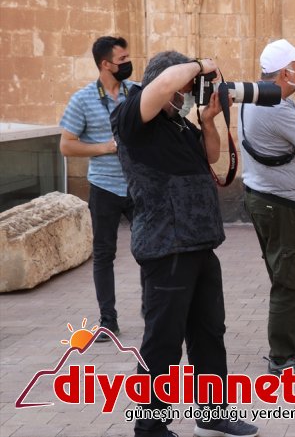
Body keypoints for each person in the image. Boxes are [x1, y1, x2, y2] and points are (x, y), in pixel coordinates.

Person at [111, 52, 258, 437]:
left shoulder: (177, 124)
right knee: (163, 341)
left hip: (200, 244)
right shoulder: (131, 118)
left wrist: (208, 120)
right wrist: (199, 65)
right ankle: (150, 426)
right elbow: (159, 86)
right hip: (165, 247)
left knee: (210, 332)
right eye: (183, 90)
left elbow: (211, 154)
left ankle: (212, 414)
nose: (185, 96)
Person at [239, 38, 295, 377]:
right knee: (292, 281)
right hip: (281, 206)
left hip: (270, 201)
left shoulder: (258, 97)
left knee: (286, 275)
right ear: (283, 73)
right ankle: (281, 356)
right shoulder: (275, 108)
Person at [59, 36, 136, 342]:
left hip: (137, 185)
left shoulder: (138, 92)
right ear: (105, 65)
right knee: (104, 254)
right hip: (104, 187)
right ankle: (108, 320)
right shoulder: (82, 99)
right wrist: (104, 147)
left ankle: (154, 309)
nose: (128, 64)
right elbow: (66, 145)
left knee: (152, 251)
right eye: (122, 59)